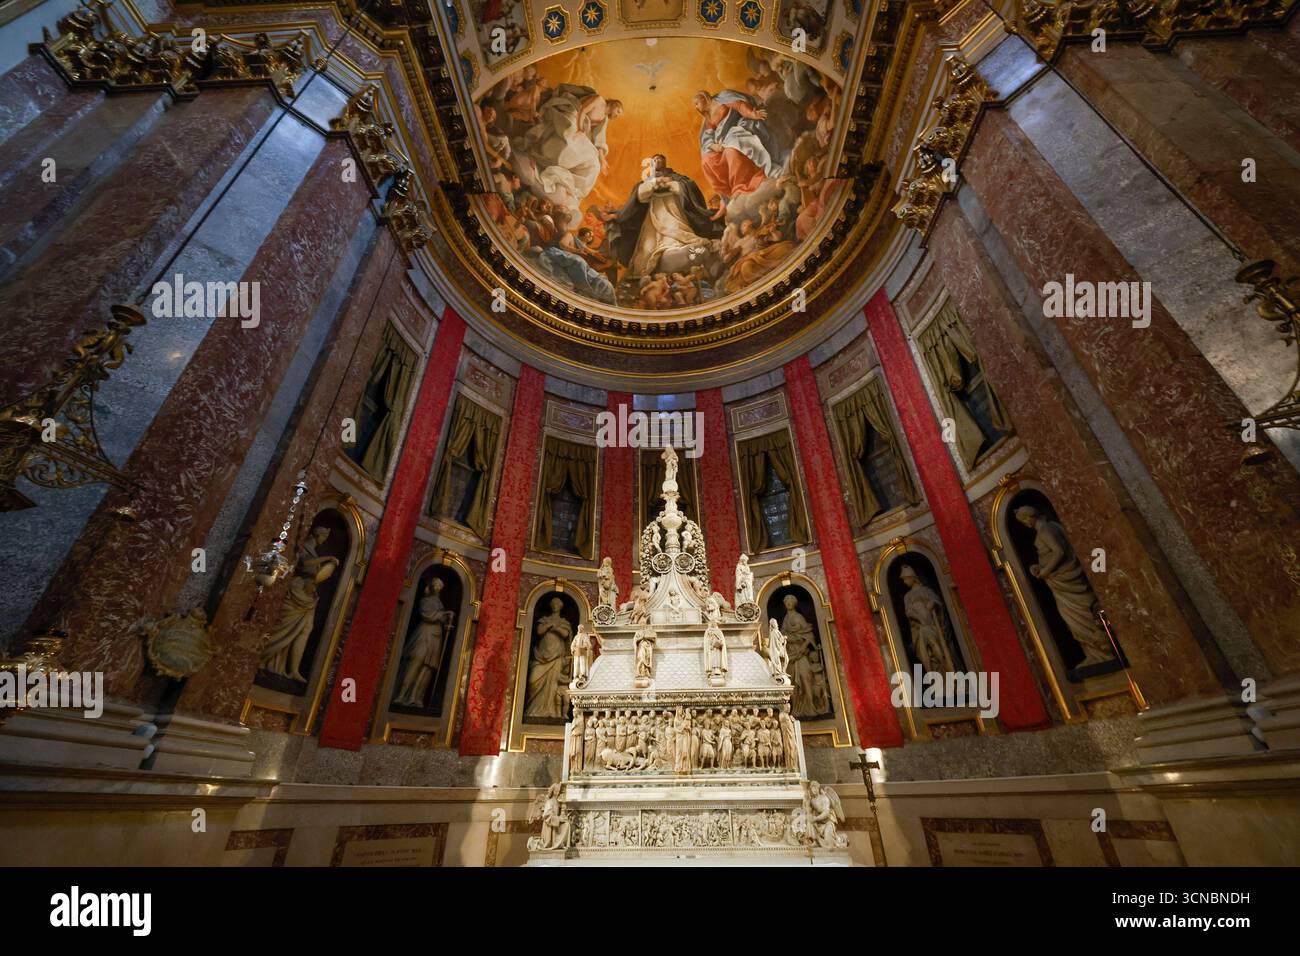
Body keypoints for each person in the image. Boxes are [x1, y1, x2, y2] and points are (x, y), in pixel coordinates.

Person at [608, 154, 723, 277]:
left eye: (659, 159)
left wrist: (671, 184)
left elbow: (688, 188)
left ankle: (677, 250)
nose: (657, 161)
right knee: (647, 247)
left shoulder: (676, 177)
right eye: (654, 160)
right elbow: (640, 196)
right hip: (653, 215)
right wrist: (653, 184)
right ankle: (646, 270)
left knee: (676, 232)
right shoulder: (648, 180)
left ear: (665, 162)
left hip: (673, 211)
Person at [261, 526, 338, 682]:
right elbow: (304, 563)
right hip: (296, 593)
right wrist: (327, 558)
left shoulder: (314, 551)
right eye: (324, 537)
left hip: (308, 596)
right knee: (284, 628)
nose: (324, 540)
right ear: (318, 535)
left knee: (306, 630)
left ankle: (294, 669)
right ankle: (264, 655)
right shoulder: (305, 547)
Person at [394, 577, 457, 706]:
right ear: (431, 587)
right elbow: (427, 615)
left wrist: (447, 620)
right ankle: (401, 695)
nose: (438, 588)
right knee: (415, 663)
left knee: (428, 668)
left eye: (440, 586)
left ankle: (416, 697)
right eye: (436, 585)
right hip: (424, 634)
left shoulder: (440, 604)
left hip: (436, 636)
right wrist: (444, 615)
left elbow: (442, 619)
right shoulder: (425, 601)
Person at [524, 597, 573, 719]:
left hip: (556, 658)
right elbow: (540, 631)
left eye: (558, 603)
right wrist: (552, 624)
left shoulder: (564, 622)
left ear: (561, 606)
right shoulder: (544, 620)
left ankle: (553, 712)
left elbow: (565, 634)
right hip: (541, 657)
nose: (555, 605)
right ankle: (532, 711)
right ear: (551, 605)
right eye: (553, 603)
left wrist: (551, 626)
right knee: (532, 682)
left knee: (553, 688)